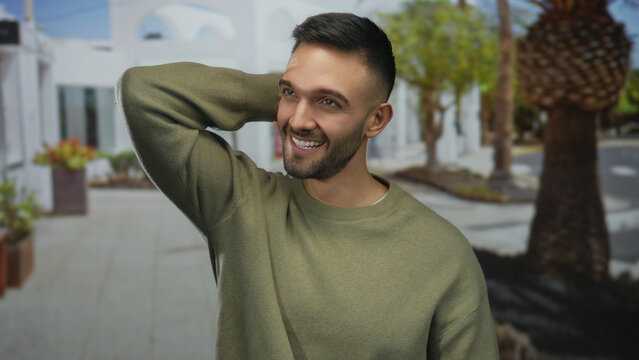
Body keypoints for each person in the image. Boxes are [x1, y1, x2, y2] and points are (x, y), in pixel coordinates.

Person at [117, 12, 498, 360]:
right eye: (289, 94)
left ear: (376, 120)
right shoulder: (241, 202)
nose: (298, 121)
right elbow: (144, 93)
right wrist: (298, 89)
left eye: (329, 102)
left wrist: (304, 90)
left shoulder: (443, 255)